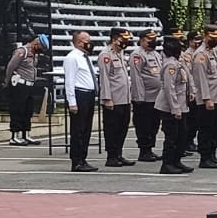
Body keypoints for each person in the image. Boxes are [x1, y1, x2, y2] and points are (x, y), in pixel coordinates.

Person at [154, 35, 194, 174]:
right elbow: (169, 88)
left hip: (182, 104)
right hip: (170, 107)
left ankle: (176, 161)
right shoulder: (170, 65)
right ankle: (167, 163)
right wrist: (175, 108)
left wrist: (191, 91)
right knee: (171, 137)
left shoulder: (178, 62)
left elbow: (187, 78)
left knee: (182, 135)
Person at [191, 25, 217, 170]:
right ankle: (205, 157)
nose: (216, 40)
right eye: (213, 37)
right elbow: (201, 79)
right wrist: (207, 98)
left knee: (215, 129)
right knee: (206, 129)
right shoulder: (201, 54)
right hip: (208, 99)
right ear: (206, 35)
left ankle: (212, 156)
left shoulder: (213, 52)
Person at [97, 27, 134, 167]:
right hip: (113, 99)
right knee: (112, 129)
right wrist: (107, 98)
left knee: (122, 128)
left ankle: (118, 153)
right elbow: (105, 78)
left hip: (124, 98)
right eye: (122, 39)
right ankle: (111, 156)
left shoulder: (121, 53)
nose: (125, 42)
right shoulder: (105, 55)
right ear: (114, 39)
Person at [62, 30, 98, 172]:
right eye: (86, 41)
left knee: (86, 129)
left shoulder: (85, 57)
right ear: (78, 42)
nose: (90, 44)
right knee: (78, 130)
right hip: (79, 95)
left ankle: (83, 158)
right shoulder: (72, 58)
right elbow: (69, 81)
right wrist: (72, 101)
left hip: (88, 95)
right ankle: (76, 160)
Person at [129, 28, 163, 162]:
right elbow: (136, 77)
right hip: (145, 98)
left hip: (156, 97)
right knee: (144, 125)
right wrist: (138, 97)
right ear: (142, 40)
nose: (153, 41)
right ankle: (144, 151)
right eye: (150, 39)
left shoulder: (155, 54)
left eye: (154, 39)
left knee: (154, 124)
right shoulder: (137, 55)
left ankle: (150, 149)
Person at [3, 34, 45, 146]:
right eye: (41, 47)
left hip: (30, 85)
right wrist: (7, 81)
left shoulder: (34, 54)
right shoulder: (22, 51)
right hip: (20, 84)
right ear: (36, 43)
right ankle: (14, 136)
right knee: (17, 110)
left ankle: (26, 134)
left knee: (28, 110)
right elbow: (11, 66)